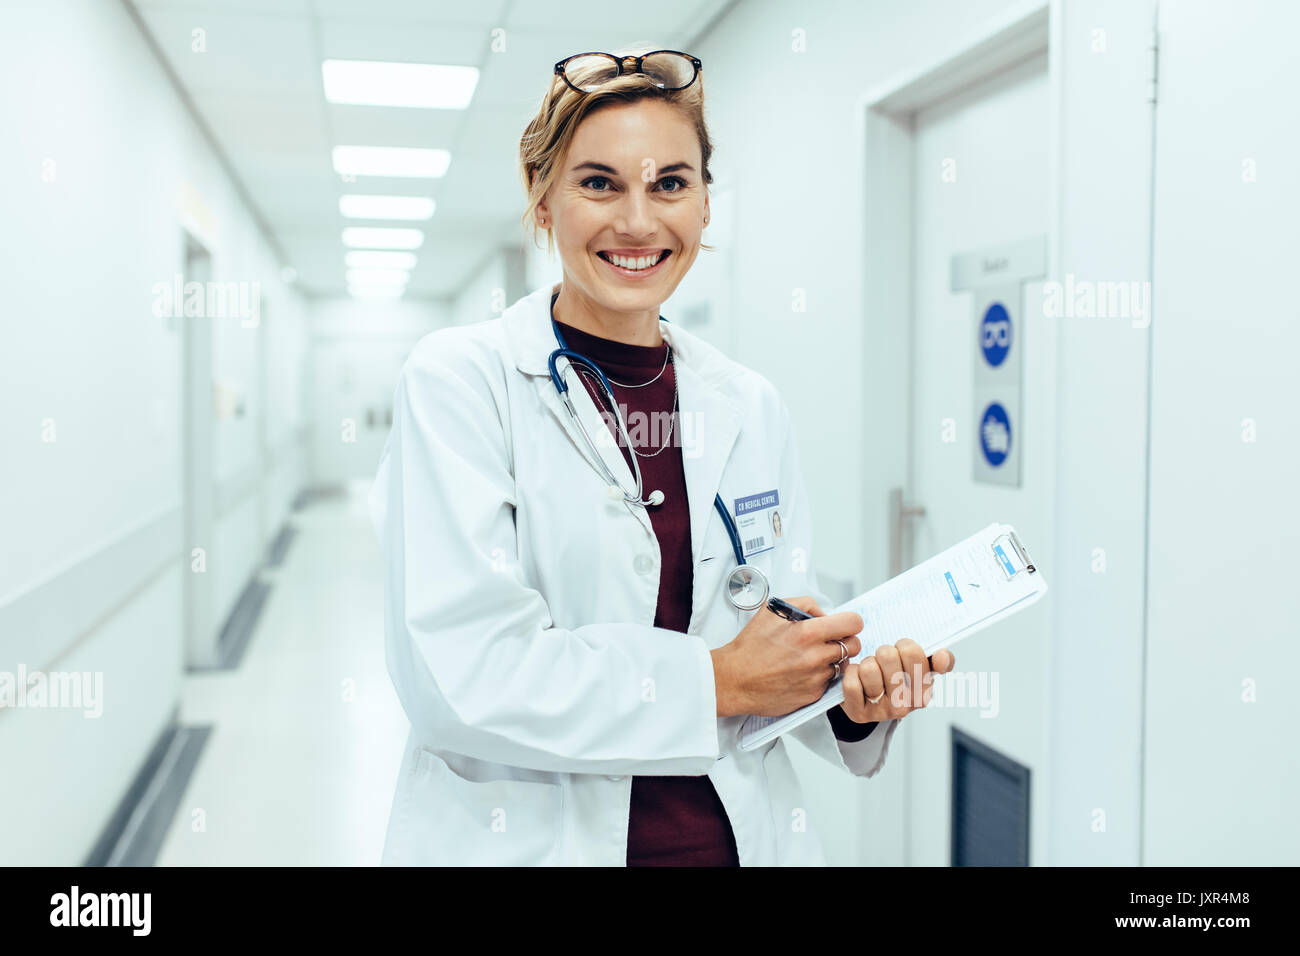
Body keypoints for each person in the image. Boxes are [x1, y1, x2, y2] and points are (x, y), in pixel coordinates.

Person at [368, 44, 954, 866]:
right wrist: (717, 680)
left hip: (731, 842)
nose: (638, 221)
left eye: (671, 184)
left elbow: (770, 646)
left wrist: (849, 699)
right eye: (599, 183)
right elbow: (458, 676)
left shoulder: (746, 404)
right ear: (543, 203)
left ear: (707, 205)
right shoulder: (463, 383)